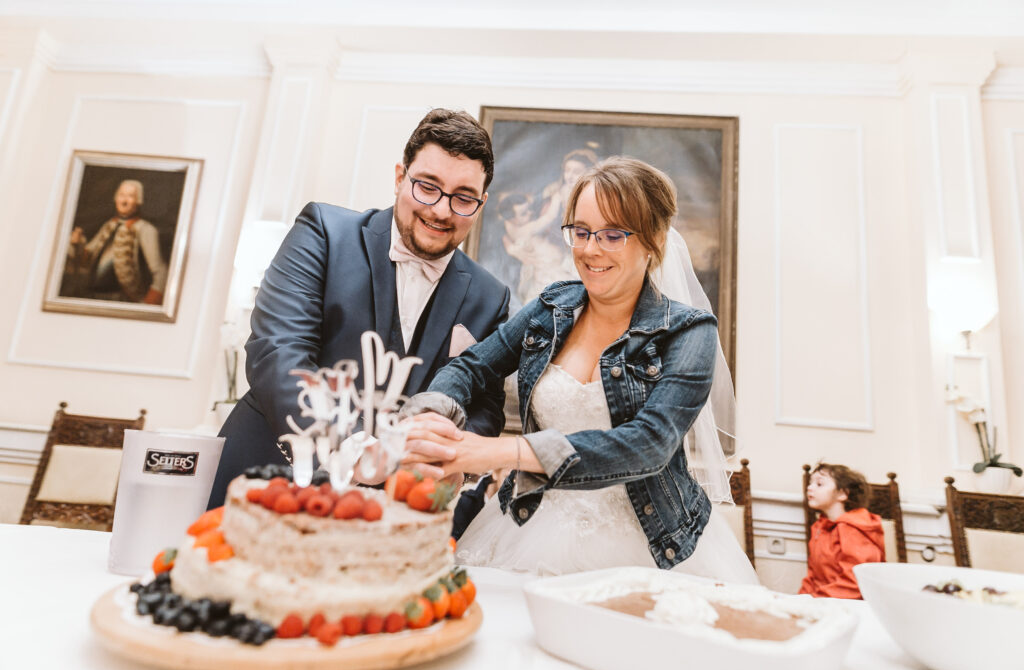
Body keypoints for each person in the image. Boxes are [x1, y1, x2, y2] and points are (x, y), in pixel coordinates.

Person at [401, 156, 756, 583]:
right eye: (581, 232)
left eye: (612, 234)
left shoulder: (688, 333)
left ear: (654, 240)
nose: (589, 250)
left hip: (651, 545)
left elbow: (647, 444)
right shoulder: (552, 307)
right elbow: (474, 365)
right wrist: (432, 420)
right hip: (529, 526)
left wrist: (499, 452)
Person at [207, 109, 511, 509]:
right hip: (270, 480)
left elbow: (484, 407)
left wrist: (442, 456)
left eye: (463, 198)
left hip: (392, 512)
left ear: (481, 202)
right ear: (400, 177)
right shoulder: (324, 232)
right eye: (427, 186)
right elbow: (278, 354)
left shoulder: (491, 296)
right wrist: (358, 452)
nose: (440, 210)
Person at [64, 179, 167, 304]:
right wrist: (77, 244)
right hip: (92, 296)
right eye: (121, 195)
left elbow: (161, 271)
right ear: (116, 198)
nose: (124, 201)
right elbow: (87, 257)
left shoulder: (145, 229)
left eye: (130, 196)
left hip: (122, 300)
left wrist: (149, 305)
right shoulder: (109, 225)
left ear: (138, 201)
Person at [799, 463, 885, 599]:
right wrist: (799, 600)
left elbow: (856, 583)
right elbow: (813, 577)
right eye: (810, 483)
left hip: (852, 605)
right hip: (825, 602)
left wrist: (814, 600)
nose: (809, 488)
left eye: (819, 484)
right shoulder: (819, 528)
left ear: (842, 494)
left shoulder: (853, 528)